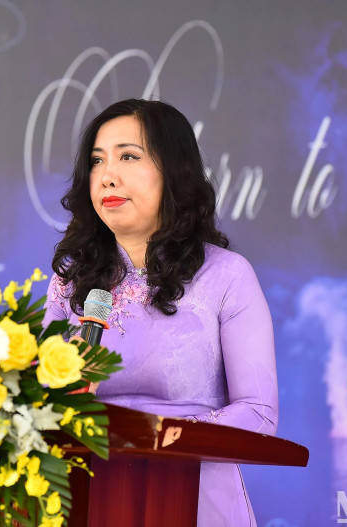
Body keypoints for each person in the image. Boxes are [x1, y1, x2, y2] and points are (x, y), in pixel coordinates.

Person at [42, 98, 278, 527]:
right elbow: (41, 402)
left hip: (192, 495)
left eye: (128, 157)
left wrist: (158, 435)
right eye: (97, 161)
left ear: (173, 171)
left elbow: (259, 414)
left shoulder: (226, 275)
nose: (107, 176)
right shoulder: (70, 281)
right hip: (86, 497)